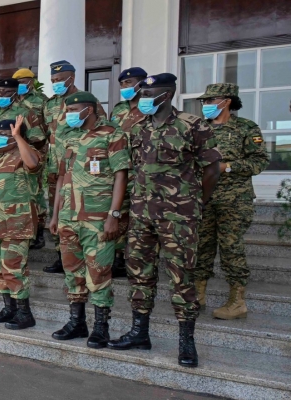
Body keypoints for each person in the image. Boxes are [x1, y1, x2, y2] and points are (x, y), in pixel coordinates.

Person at [108, 73, 221, 369]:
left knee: (182, 277)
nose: (144, 98)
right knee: (139, 273)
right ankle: (139, 333)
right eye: (143, 93)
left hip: (179, 217)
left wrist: (196, 202)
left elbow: (212, 170)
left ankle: (186, 342)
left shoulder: (192, 125)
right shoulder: (138, 128)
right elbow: (133, 169)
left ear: (167, 95)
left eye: (151, 93)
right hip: (142, 215)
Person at [48, 91, 130, 348]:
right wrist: (55, 214)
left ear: (91, 110)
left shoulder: (113, 134)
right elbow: (62, 178)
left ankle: (101, 327)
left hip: (97, 218)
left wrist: (114, 215)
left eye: (76, 110)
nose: (70, 115)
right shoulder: (68, 138)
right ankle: (77, 321)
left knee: (99, 273)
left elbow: (121, 175)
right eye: (68, 111)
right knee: (73, 272)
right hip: (68, 217)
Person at [193, 83, 269, 320]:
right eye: (204, 102)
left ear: (226, 101)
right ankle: (198, 296)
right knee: (200, 247)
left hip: (234, 200)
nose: (205, 106)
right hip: (203, 198)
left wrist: (227, 167)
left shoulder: (246, 128)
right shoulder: (199, 127)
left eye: (210, 101)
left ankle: (237, 302)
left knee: (231, 248)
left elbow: (259, 162)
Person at [43, 60, 107, 274]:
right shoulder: (50, 104)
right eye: (53, 80)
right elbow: (47, 136)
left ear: (72, 78)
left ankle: (93, 257)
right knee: (58, 210)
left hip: (83, 167)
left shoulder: (88, 101)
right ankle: (61, 255)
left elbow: (100, 128)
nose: (56, 83)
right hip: (58, 168)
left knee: (84, 212)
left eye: (60, 80)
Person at [0, 117, 44, 330]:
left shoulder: (27, 153)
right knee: (0, 270)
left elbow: (33, 165)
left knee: (14, 269)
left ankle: (24, 313)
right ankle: (9, 308)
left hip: (16, 223)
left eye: (7, 134)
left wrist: (17, 137)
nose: (1, 138)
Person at [107, 66, 149, 278]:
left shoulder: (150, 108)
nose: (125, 87)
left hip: (144, 172)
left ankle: (140, 260)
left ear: (141, 84)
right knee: (120, 214)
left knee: (141, 218)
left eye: (128, 83)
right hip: (122, 170)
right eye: (122, 84)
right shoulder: (118, 110)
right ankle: (118, 259)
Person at [13, 68, 49, 251]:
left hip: (36, 149)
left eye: (23, 81)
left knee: (36, 191)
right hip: (14, 152)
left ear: (31, 81)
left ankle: (39, 232)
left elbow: (48, 126)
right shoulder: (11, 100)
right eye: (17, 82)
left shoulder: (41, 101)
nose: (20, 86)